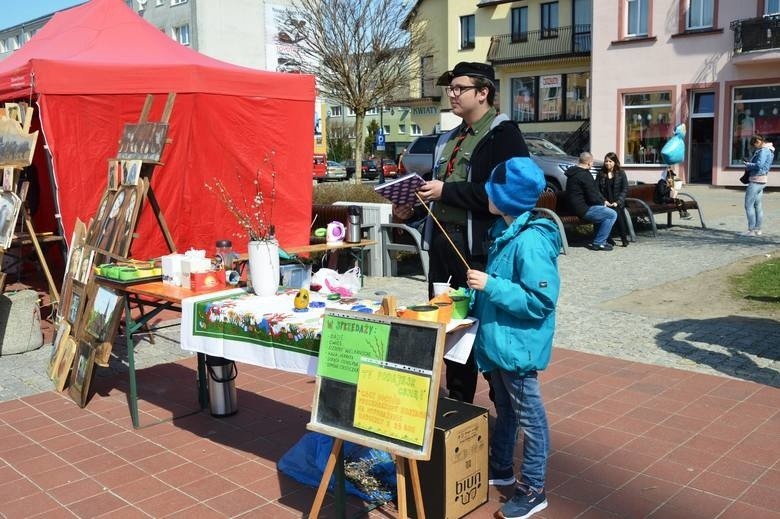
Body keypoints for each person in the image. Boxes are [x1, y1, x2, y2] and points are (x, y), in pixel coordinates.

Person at [392, 61, 531, 403]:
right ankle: (459, 407)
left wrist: (446, 192)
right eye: (450, 89)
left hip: (478, 250)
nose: (452, 94)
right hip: (442, 246)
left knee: (484, 334)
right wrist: (412, 207)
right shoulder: (448, 138)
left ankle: (505, 412)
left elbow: (509, 197)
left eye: (459, 88)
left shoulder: (503, 134)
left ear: (483, 93)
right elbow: (437, 192)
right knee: (449, 328)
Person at [466, 157, 560, 519]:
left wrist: (490, 285)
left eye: (493, 191)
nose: (487, 196)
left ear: (509, 199)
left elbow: (540, 300)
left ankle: (533, 488)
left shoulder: (531, 242)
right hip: (500, 345)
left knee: (530, 418)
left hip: (518, 348)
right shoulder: (506, 232)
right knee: (505, 409)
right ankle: (501, 466)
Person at [564, 152, 617, 251]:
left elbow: (592, 193)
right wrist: (603, 204)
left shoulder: (573, 172)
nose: (592, 165)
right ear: (588, 163)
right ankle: (599, 243)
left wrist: (602, 202)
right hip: (582, 209)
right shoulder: (584, 175)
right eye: (592, 163)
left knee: (603, 214)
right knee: (612, 214)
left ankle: (599, 240)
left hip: (573, 207)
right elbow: (592, 196)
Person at [741, 134, 774, 236]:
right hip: (762, 180)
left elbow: (759, 165)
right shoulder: (769, 150)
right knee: (757, 205)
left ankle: (751, 230)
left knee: (748, 205)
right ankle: (758, 229)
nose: (755, 146)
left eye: (754, 144)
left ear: (758, 141)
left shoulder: (763, 151)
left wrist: (748, 164)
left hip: (756, 180)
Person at [596, 152, 630, 247]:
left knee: (618, 215)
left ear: (615, 162)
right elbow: (596, 189)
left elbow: (625, 189)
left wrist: (618, 202)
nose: (608, 163)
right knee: (606, 217)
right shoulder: (601, 174)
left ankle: (624, 238)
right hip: (606, 202)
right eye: (606, 161)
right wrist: (604, 201)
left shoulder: (621, 173)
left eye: (610, 161)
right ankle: (609, 238)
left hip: (617, 202)